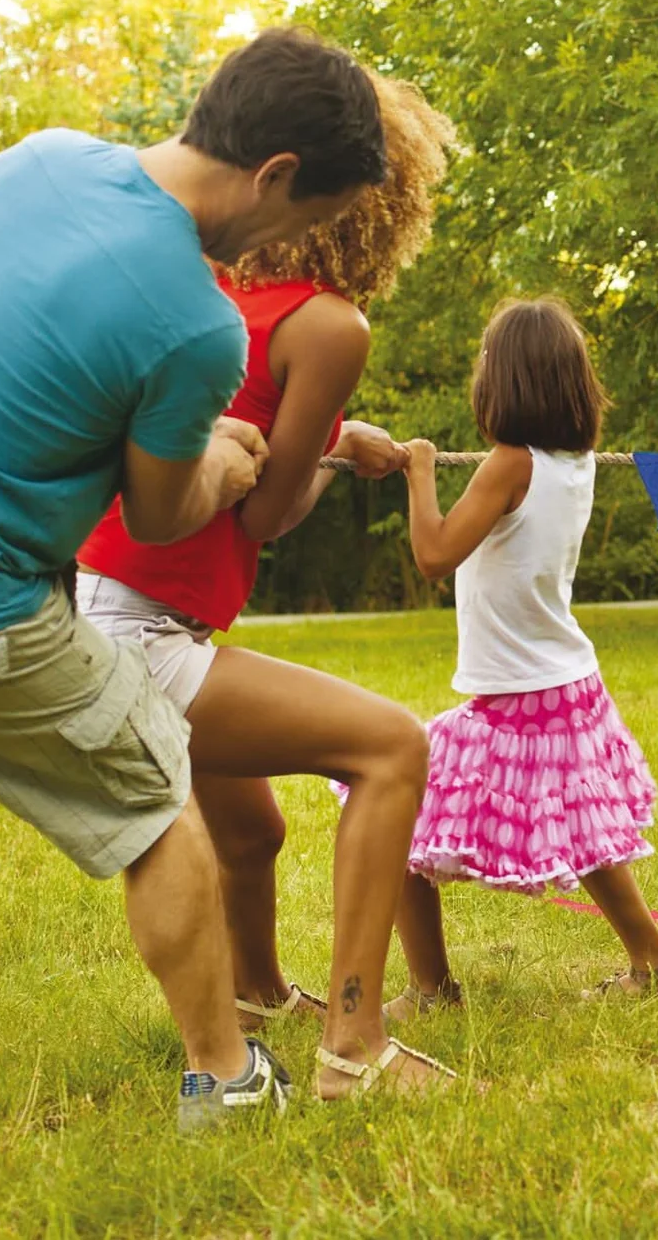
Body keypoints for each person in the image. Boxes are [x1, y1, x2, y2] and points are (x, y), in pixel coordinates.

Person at [0, 25, 385, 1131]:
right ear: (275, 176)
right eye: (308, 220)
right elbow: (160, 510)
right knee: (161, 792)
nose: (293, 245)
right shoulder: (196, 325)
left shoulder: (36, 158)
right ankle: (225, 1079)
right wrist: (217, 458)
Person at [76, 73, 460, 1098]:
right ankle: (354, 1042)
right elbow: (265, 509)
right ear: (380, 204)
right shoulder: (329, 325)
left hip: (89, 604)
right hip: (145, 630)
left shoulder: (205, 287)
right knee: (392, 744)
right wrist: (324, 452)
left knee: (252, 829)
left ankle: (253, 994)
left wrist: (331, 436)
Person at [383, 298, 658, 1012]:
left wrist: (420, 470)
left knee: (394, 806)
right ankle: (655, 959)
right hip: (561, 679)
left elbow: (434, 554)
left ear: (509, 381)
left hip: (525, 690)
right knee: (587, 835)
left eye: (486, 363)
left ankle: (431, 988)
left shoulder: (510, 463)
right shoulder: (572, 459)